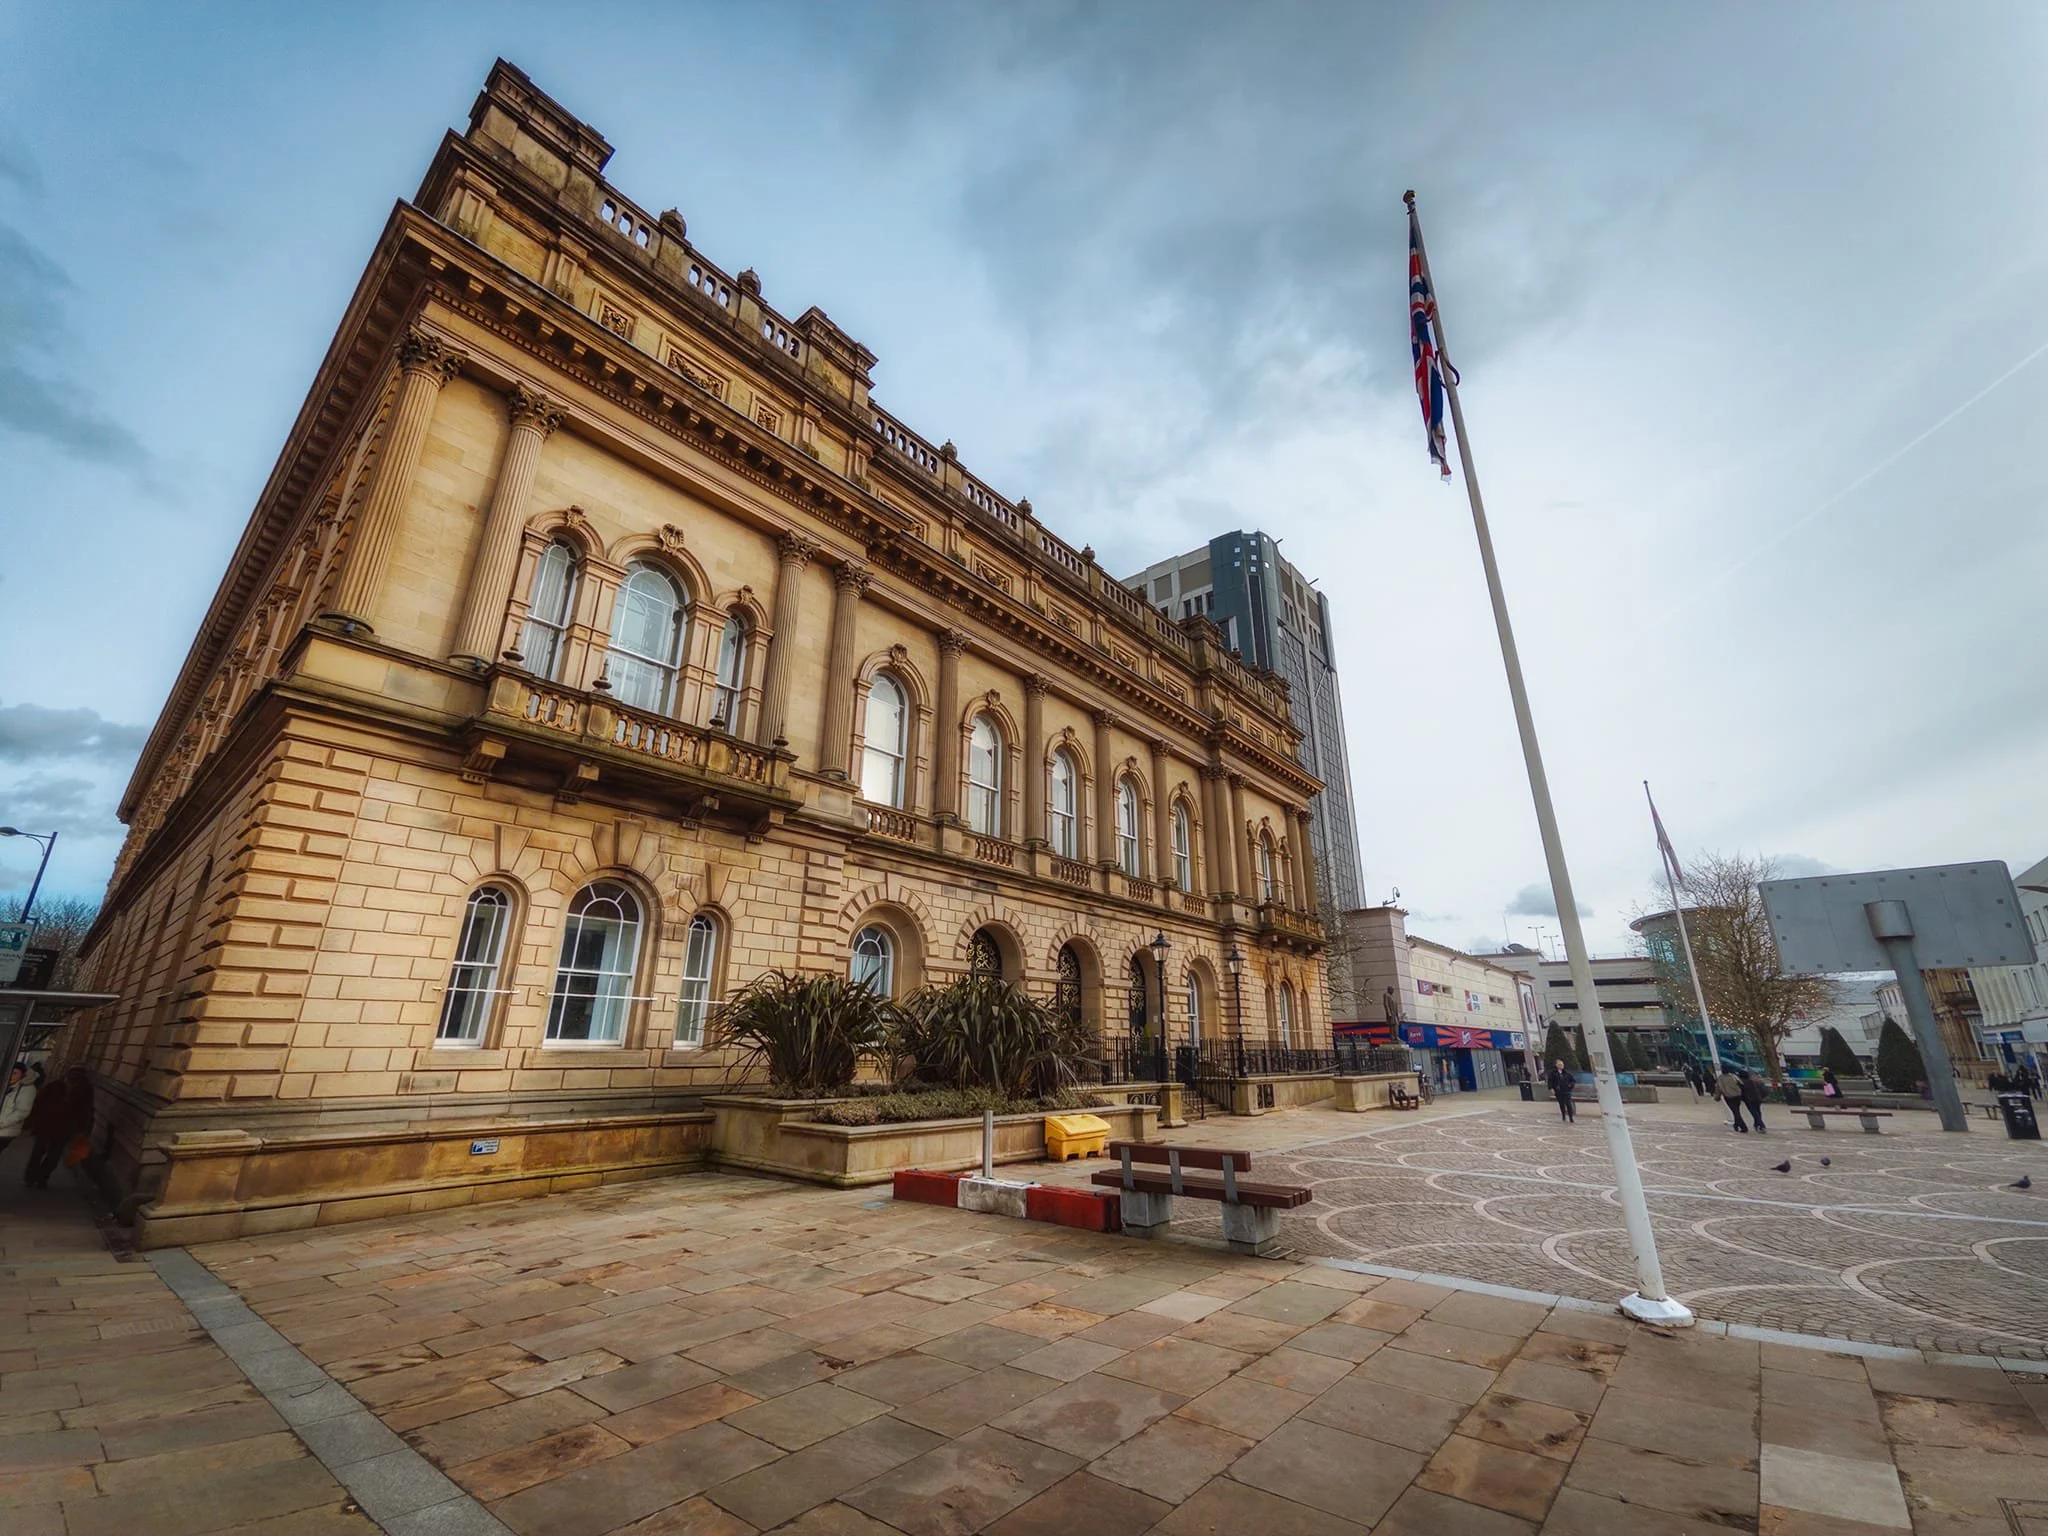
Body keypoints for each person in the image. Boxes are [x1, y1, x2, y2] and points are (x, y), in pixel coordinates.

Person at [22, 1066, 94, 1189]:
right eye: (72, 1074)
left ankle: (41, 1177)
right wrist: (32, 1121)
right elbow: (38, 1103)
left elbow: (86, 1111)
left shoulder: (85, 1090)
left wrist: (82, 1128)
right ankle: (31, 1177)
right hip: (46, 1124)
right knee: (39, 1152)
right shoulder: (54, 1086)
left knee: (53, 1156)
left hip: (64, 1128)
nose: (73, 1077)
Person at [0, 1060, 35, 1155]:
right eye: (10, 1072)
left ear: (22, 1075)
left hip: (6, 1131)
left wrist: (1, 1123)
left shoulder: (27, 1089)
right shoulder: (6, 1084)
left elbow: (22, 1112)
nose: (11, 1076)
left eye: (15, 1073)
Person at [1547, 1057, 1577, 1124]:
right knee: (1561, 1104)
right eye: (1559, 1064)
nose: (1561, 1066)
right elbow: (1550, 1081)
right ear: (1556, 1065)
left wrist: (1570, 1086)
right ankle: (1563, 1115)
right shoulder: (1553, 1073)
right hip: (1558, 1091)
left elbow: (1573, 1081)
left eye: (1562, 1064)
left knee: (1568, 1104)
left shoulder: (1567, 1073)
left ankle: (1571, 1117)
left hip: (1567, 1091)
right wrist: (1551, 1088)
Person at [1716, 1066, 1747, 1132]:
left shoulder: (1720, 1078)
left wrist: (1717, 1097)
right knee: (1736, 1111)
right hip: (1737, 1095)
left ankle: (1743, 1126)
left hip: (1728, 1096)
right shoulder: (1733, 1076)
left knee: (1735, 1112)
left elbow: (1719, 1088)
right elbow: (1741, 1084)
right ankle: (1737, 1125)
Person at [1738, 1069, 1767, 1133]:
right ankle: (1757, 1124)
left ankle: (1761, 1125)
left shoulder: (1742, 1083)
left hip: (1750, 1100)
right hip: (1758, 1098)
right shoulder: (1752, 1081)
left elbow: (1742, 1092)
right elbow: (1761, 1090)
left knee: (1755, 1113)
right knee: (1758, 1112)